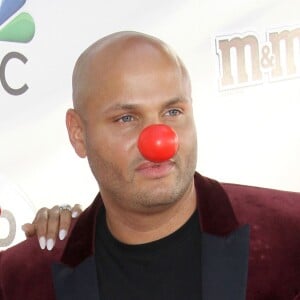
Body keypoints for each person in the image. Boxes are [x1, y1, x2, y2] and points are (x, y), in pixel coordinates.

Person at [1, 31, 300, 300]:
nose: (158, 141)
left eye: (172, 111)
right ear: (78, 133)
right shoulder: (19, 281)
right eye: (126, 118)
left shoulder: (290, 235)